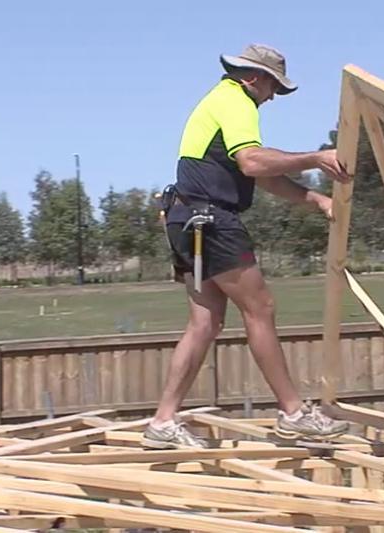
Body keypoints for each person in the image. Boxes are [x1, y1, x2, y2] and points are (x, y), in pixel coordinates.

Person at [141, 44, 352, 449]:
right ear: (254, 78)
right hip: (212, 222)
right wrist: (315, 157)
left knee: (205, 323)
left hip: (185, 219)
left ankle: (163, 422)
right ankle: (293, 414)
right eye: (273, 87)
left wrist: (317, 200)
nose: (272, 97)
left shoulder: (218, 101)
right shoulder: (237, 101)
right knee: (261, 308)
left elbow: (261, 176)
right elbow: (253, 163)